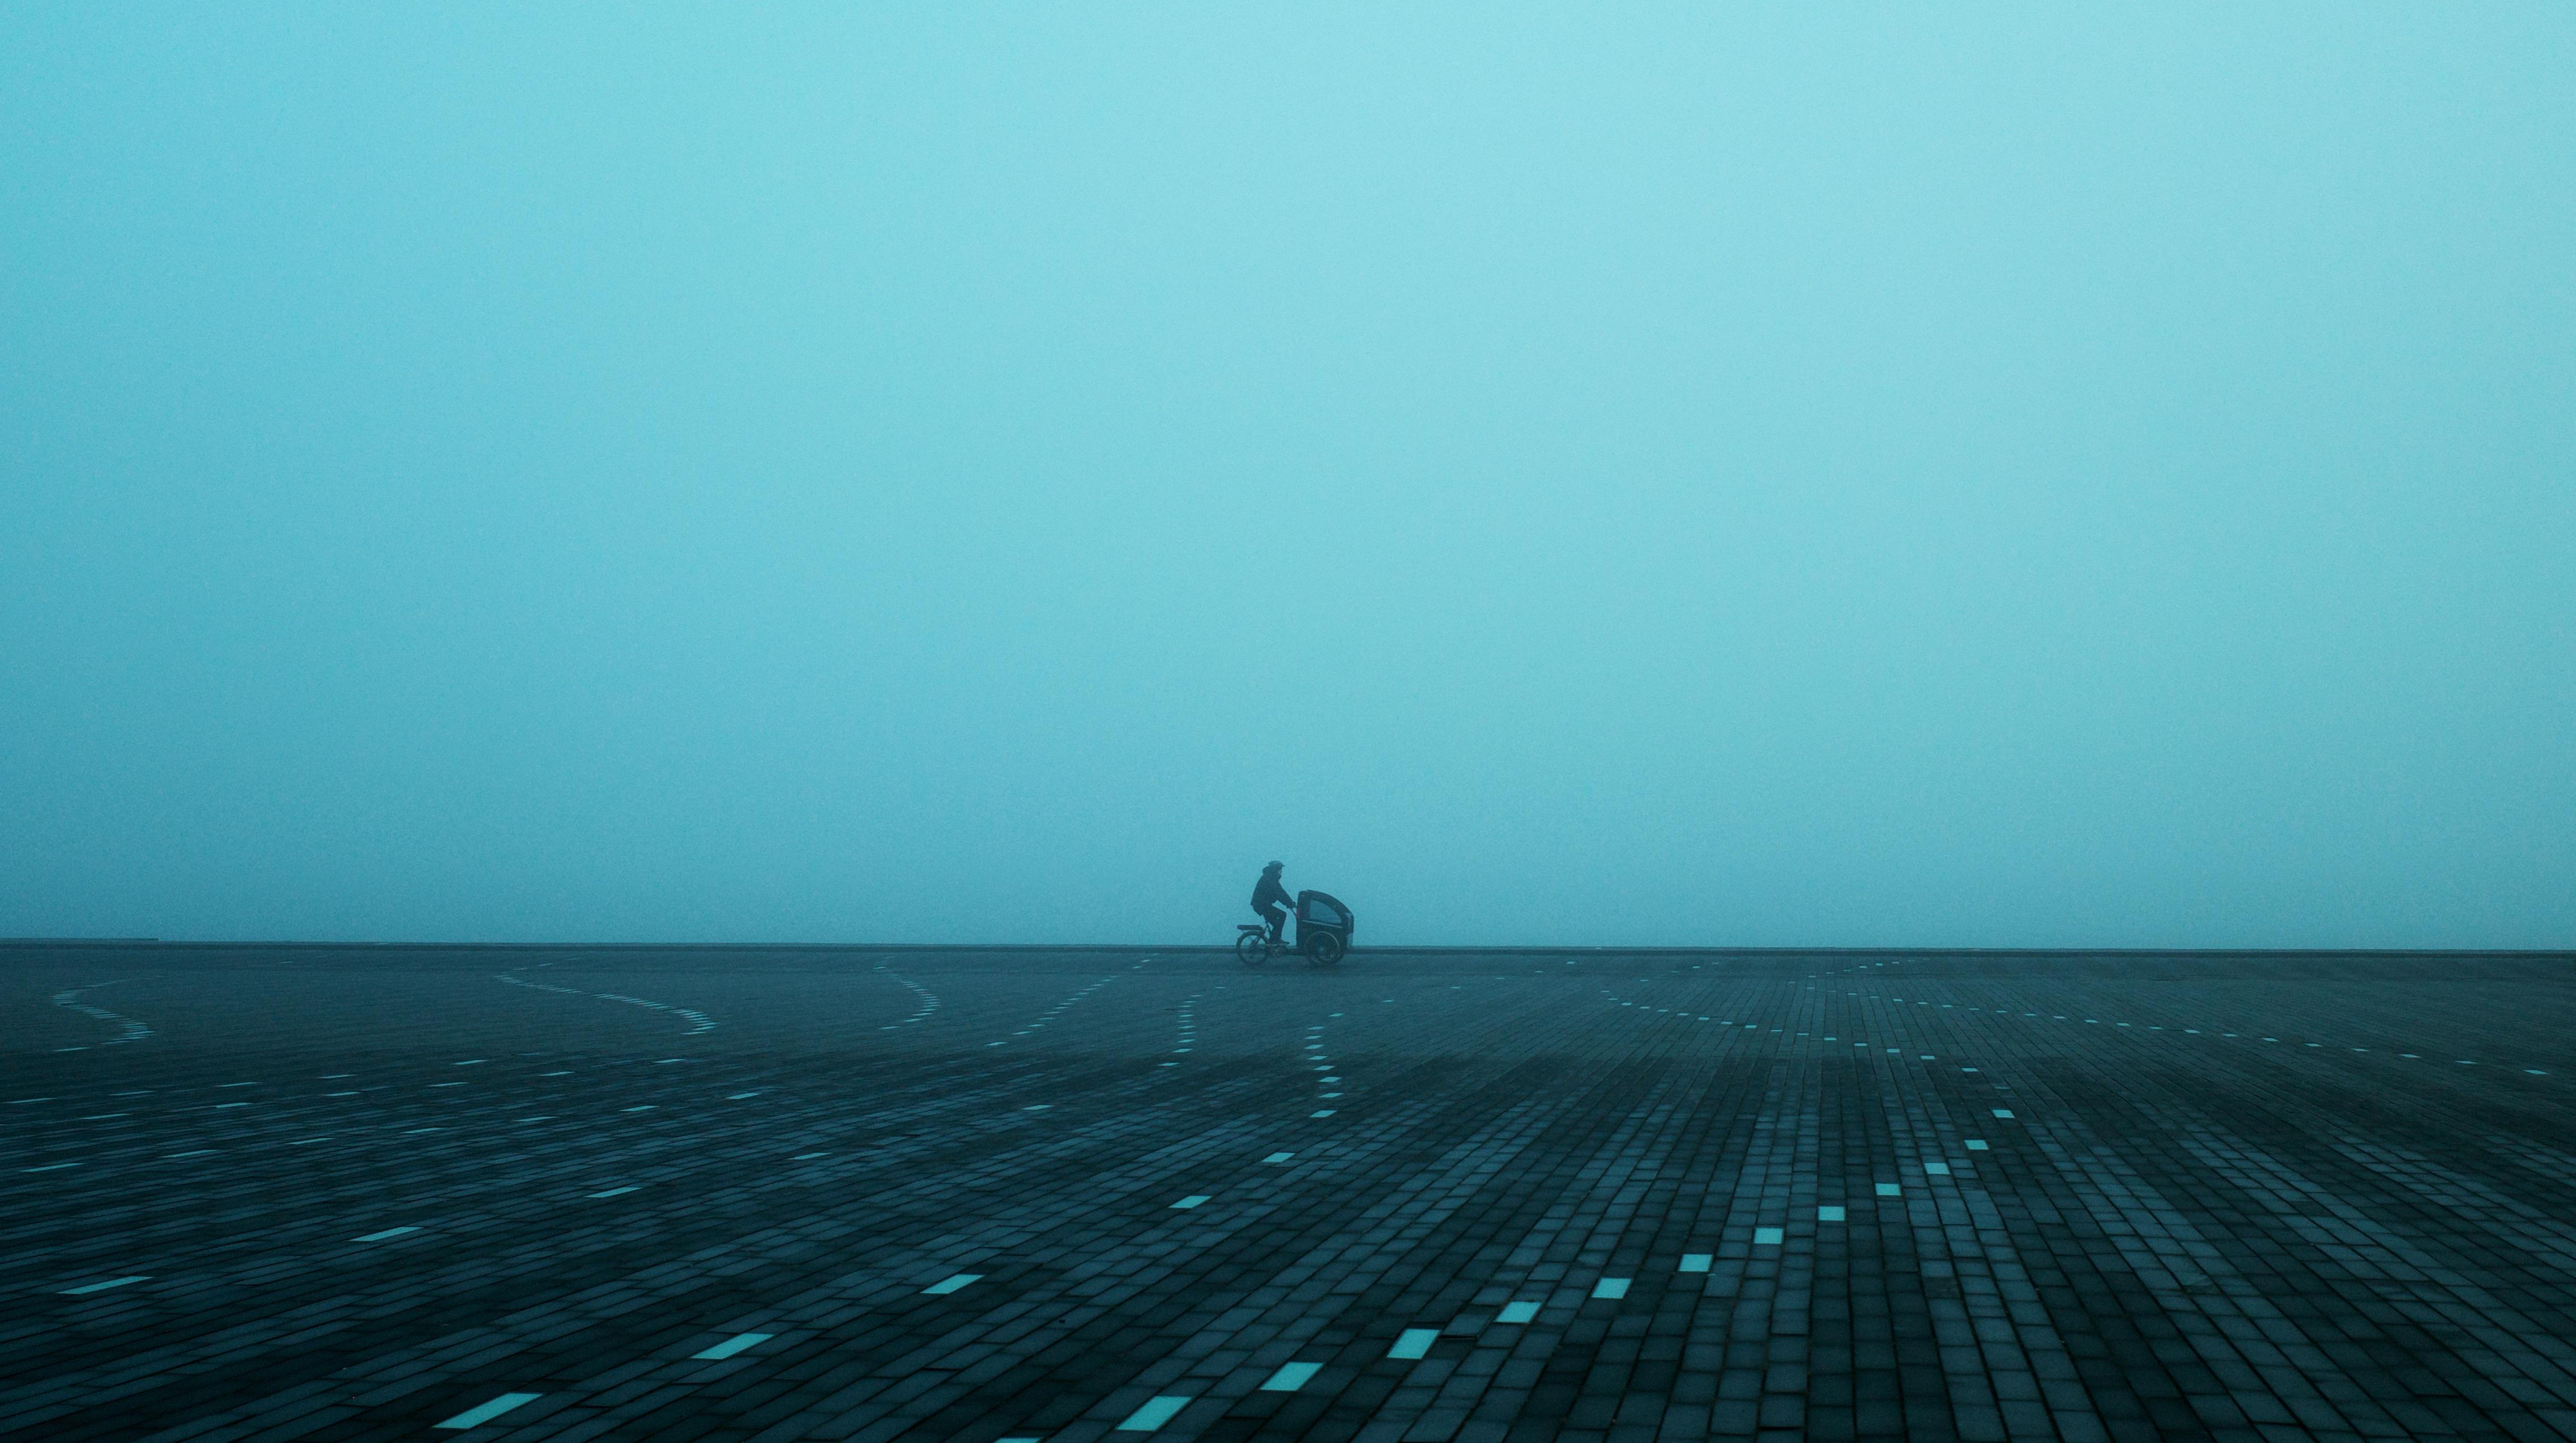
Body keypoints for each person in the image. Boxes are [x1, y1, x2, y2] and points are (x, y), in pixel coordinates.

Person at [1250, 861, 1293, 944]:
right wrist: (1289, 903)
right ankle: (1275, 940)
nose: (1281, 871)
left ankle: (1274, 941)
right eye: (1280, 869)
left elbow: (1281, 892)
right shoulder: (1270, 879)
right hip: (1262, 906)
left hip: (1263, 905)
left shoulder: (1271, 878)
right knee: (1281, 918)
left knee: (1280, 918)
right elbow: (1278, 893)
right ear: (1275, 869)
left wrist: (1290, 902)